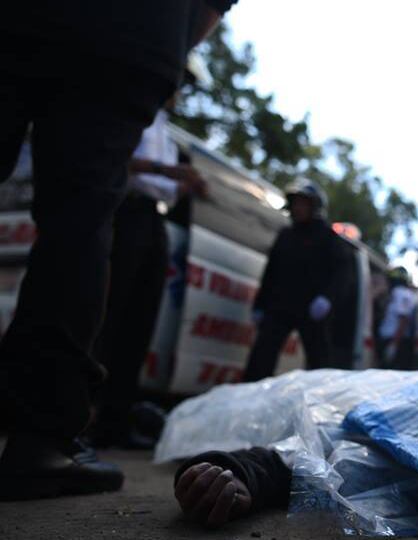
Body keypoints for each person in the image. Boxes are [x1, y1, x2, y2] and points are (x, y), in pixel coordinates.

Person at [0, 0, 236, 501]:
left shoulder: (167, 134)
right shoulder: (151, 113)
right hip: (126, 37)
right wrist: (167, 41)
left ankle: (67, 426)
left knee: (91, 252)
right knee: (78, 222)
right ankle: (41, 437)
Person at [89, 65, 210, 450]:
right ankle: (84, 414)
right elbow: (119, 160)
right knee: (112, 314)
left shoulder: (167, 134)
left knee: (141, 323)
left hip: (154, 220)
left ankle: (116, 421)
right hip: (127, 212)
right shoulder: (134, 115)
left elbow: (166, 188)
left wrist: (189, 184)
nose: (179, 91)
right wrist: (169, 170)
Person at [243, 180, 350, 382]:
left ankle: (320, 396)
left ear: (315, 207)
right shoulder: (285, 235)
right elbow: (270, 273)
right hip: (279, 306)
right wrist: (259, 304)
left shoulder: (327, 237)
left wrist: (327, 298)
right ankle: (251, 392)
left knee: (319, 361)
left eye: (304, 204)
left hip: (312, 309)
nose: (298, 208)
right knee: (261, 356)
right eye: (295, 203)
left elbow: (342, 272)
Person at [377, 267, 418, 370]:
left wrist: (393, 345)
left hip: (394, 341)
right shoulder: (403, 293)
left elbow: (403, 320)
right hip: (394, 340)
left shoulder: (400, 293)